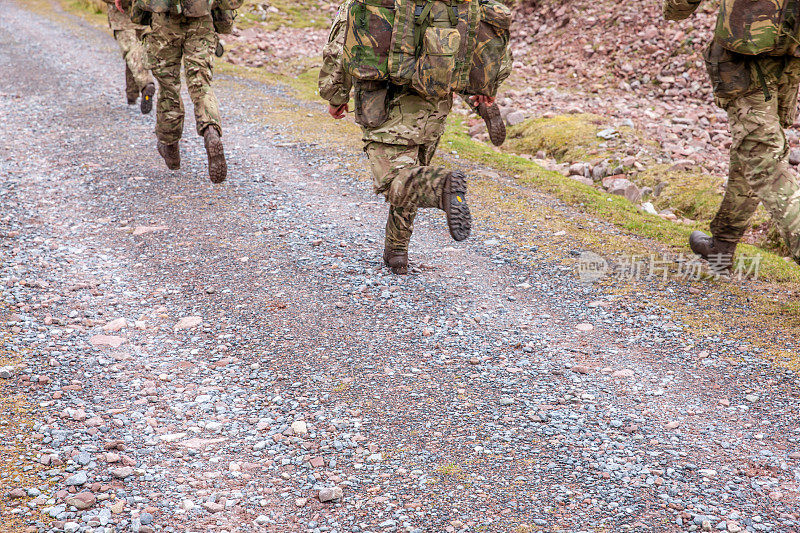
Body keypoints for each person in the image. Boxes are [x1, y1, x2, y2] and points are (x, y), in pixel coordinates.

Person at [319, 1, 478, 275]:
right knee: (411, 173)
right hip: (434, 104)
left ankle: (443, 186)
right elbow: (472, 45)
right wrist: (482, 91)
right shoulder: (447, 4)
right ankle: (396, 252)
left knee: (395, 179)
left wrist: (335, 95)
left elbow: (341, 48)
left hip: (383, 102)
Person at [664, 0, 800, 270]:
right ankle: (722, 245)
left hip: (745, 55)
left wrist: (674, 10)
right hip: (790, 52)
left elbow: (679, 6)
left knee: (764, 163)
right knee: (753, 150)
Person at [117, 0, 228, 183]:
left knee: (168, 86)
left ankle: (170, 145)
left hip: (164, 21)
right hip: (202, 18)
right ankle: (210, 129)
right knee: (201, 83)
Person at [104, 0, 155, 114]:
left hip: (122, 18)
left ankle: (145, 83)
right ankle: (132, 94)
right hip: (142, 16)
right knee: (136, 54)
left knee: (131, 52)